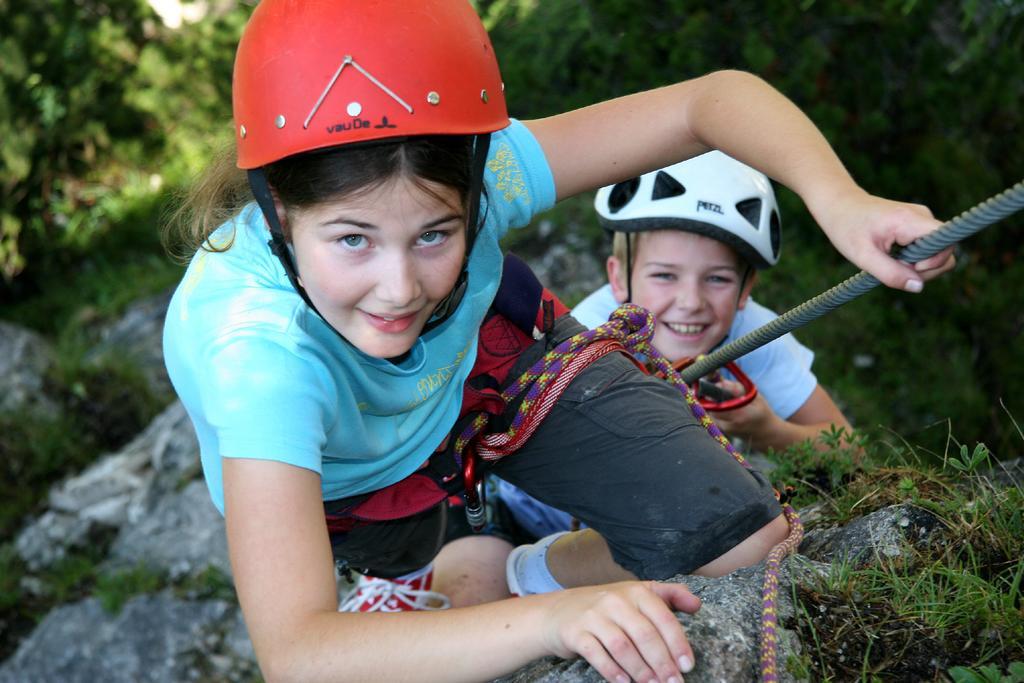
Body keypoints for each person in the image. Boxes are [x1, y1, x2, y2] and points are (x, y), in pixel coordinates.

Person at [162, 1, 954, 681]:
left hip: (492, 369)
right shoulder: (259, 356)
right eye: (353, 240)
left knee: (747, 543)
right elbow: (298, 652)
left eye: (438, 234)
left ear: (477, 186)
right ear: (275, 212)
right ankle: (438, 578)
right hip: (358, 479)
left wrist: (839, 200)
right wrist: (562, 621)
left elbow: (710, 101)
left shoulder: (494, 170)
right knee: (412, 597)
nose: (400, 287)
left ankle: (514, 567)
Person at [494, 151, 858, 544]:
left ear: (745, 290)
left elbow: (851, 453)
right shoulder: (587, 339)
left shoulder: (756, 333)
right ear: (619, 278)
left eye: (717, 279)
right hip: (530, 520)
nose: (691, 301)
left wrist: (768, 429)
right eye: (665, 275)